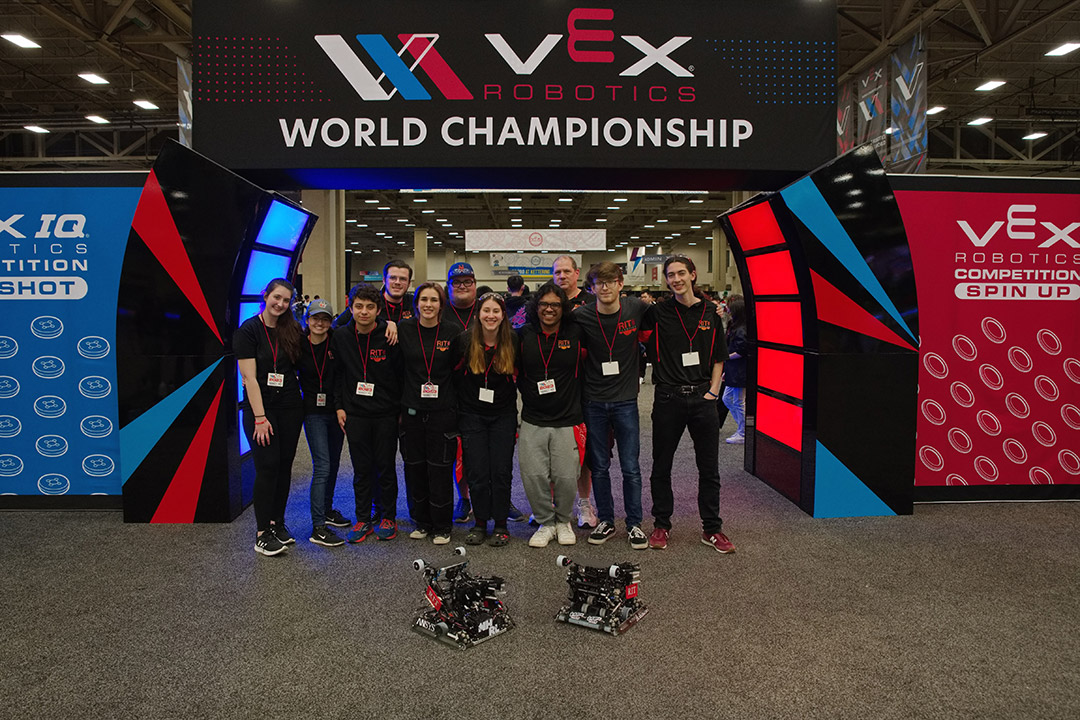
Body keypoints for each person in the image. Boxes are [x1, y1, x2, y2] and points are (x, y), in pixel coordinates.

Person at [644, 256, 735, 554]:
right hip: (668, 397)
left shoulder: (710, 310)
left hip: (702, 399)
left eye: (681, 273)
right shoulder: (657, 312)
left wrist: (713, 391)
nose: (676, 279)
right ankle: (661, 524)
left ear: (693, 275)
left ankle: (712, 529)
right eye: (670, 275)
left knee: (709, 467)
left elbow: (719, 356)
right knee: (662, 465)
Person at [572, 262, 652, 550]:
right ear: (591, 288)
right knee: (600, 466)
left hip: (626, 402)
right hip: (593, 401)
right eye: (598, 283)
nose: (604, 287)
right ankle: (606, 519)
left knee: (631, 467)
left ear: (621, 283)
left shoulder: (636, 309)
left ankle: (634, 524)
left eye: (610, 282)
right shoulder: (581, 316)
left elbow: (668, 318)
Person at [235, 278, 305, 556]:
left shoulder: (291, 329)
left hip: (290, 406)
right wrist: (260, 417)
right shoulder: (249, 330)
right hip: (261, 409)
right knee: (267, 466)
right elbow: (249, 379)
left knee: (285, 465)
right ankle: (262, 532)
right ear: (265, 296)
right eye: (276, 297)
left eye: (286, 300)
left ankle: (278, 523)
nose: (280, 304)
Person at [332, 283, 403, 544]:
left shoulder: (389, 335)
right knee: (361, 469)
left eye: (370, 307)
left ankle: (388, 517)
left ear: (378, 310)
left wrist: (398, 410)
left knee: (385, 467)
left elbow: (400, 374)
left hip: (385, 413)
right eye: (359, 306)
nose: (364, 312)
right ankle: (363, 518)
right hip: (355, 414)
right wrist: (339, 406)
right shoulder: (341, 336)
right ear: (350, 307)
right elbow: (337, 375)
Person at [517, 281, 584, 548]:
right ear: (536, 306)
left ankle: (564, 520)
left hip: (568, 417)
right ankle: (545, 522)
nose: (549, 309)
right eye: (544, 304)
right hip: (533, 418)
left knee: (567, 476)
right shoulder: (523, 335)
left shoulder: (576, 332)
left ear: (563, 307)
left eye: (555, 305)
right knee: (533, 475)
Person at [454, 293, 519, 547]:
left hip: (503, 415)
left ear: (503, 315)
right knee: (478, 471)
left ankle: (501, 524)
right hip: (472, 416)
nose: (490, 316)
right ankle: (480, 522)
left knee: (501, 471)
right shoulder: (464, 341)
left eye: (496, 311)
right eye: (486, 311)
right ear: (478, 314)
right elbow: (454, 374)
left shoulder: (513, 340)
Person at [397, 282, 458, 544]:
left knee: (441, 469)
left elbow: (459, 370)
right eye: (424, 299)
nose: (428, 305)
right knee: (414, 468)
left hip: (442, 411)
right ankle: (421, 521)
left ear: (441, 305)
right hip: (411, 411)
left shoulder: (453, 332)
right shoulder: (404, 330)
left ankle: (442, 524)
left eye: (434, 300)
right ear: (417, 303)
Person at [551, 254, 598, 528]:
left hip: (587, 388)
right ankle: (553, 505)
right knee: (551, 451)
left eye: (566, 271)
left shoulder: (591, 303)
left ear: (576, 273)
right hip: (553, 389)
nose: (562, 276)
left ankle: (584, 503)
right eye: (557, 272)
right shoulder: (546, 302)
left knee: (584, 451)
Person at [298, 298, 350, 547]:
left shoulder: (336, 343)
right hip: (312, 413)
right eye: (315, 318)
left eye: (325, 319)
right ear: (307, 320)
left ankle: (328, 510)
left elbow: (341, 376)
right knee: (322, 466)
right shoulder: (297, 345)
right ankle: (318, 526)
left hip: (335, 411)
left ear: (330, 322)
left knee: (334, 463)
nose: (319, 323)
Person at [723, 294, 748, 445]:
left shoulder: (741, 330)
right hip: (734, 369)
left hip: (739, 370)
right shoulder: (736, 327)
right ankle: (742, 428)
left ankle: (744, 431)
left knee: (738, 401)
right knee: (727, 399)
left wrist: (725, 357)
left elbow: (741, 350)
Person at [380, 259, 414, 323]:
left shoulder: (415, 304)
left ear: (409, 283)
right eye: (393, 278)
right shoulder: (372, 302)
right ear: (384, 280)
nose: (397, 282)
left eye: (403, 279)